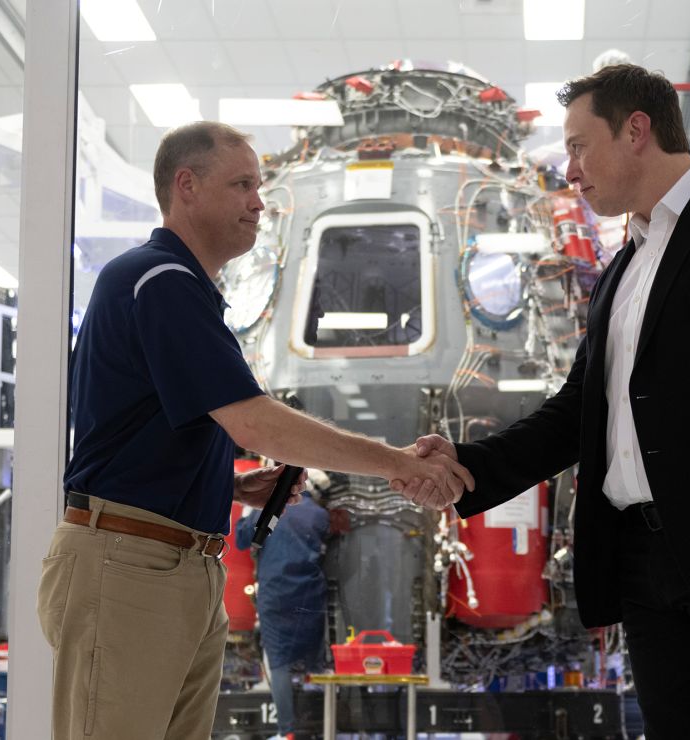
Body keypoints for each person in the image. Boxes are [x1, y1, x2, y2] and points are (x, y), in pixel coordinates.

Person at [401, 64, 690, 739]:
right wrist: (468, 466)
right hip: (643, 564)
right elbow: (578, 411)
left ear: (636, 130)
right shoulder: (622, 270)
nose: (570, 169)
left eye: (580, 146)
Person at [36, 121, 473, 740]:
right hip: (130, 568)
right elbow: (252, 419)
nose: (258, 202)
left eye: (259, 186)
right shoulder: (160, 282)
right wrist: (398, 462)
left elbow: (146, 433)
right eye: (242, 184)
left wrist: (229, 487)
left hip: (177, 566)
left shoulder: (187, 292)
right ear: (186, 186)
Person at [234, 489, 335, 739]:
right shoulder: (320, 514)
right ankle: (325, 725)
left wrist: (248, 511)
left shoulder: (272, 511)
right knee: (315, 661)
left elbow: (242, 539)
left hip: (276, 594)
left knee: (278, 663)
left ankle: (287, 732)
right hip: (309, 595)